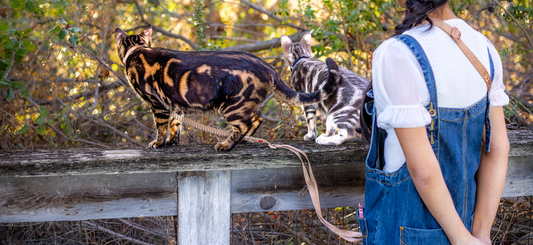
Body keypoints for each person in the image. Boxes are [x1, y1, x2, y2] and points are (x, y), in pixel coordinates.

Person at [359, 0, 510, 244]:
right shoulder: (485, 48)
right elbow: (497, 147)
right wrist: (479, 234)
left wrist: (462, 239)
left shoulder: (397, 52)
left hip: (404, 231)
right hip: (468, 225)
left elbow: (424, 171)